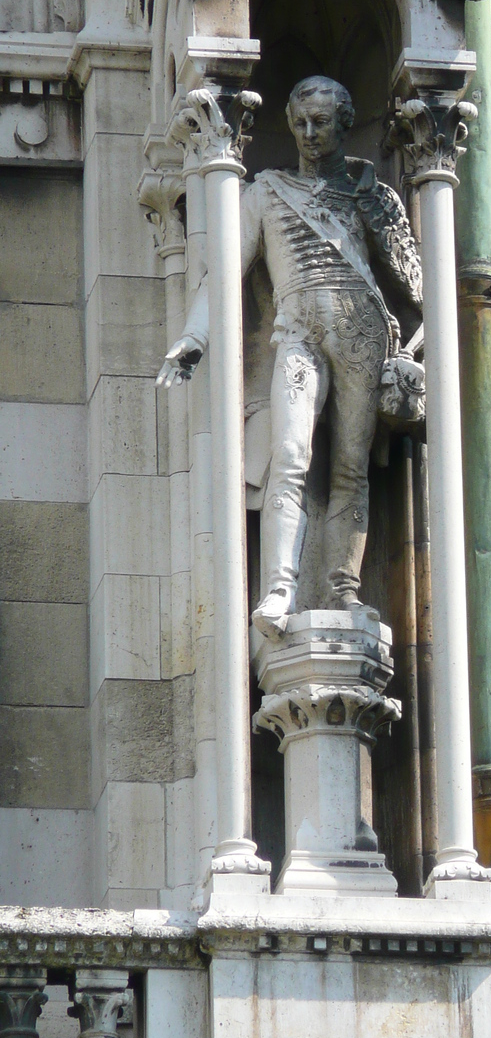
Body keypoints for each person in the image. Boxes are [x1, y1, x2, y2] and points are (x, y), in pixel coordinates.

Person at [157, 75, 422, 637]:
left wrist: (378, 208)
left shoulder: (365, 192)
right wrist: (194, 337)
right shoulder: (267, 190)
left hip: (362, 331)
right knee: (290, 453)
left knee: (351, 467)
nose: (307, 134)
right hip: (296, 330)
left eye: (320, 123)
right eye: (299, 123)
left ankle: (343, 591)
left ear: (344, 123)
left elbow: (417, 286)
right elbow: (226, 273)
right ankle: (279, 588)